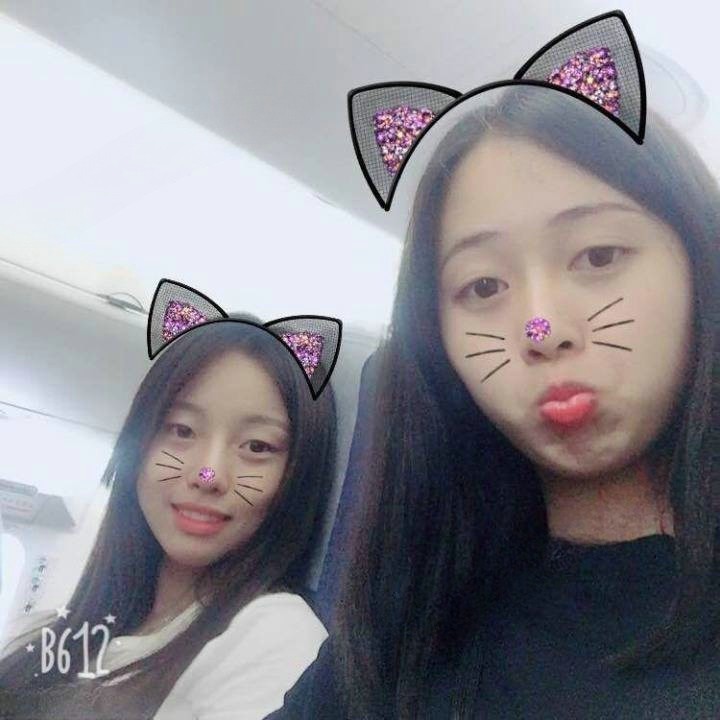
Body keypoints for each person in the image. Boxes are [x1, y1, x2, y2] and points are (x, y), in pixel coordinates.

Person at [267, 65, 720, 720]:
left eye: (598, 256)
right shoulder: (400, 636)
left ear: (700, 263)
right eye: (483, 287)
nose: (542, 329)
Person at [0, 290, 340, 720]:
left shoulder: (276, 633)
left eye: (257, 446)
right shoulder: (42, 631)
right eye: (181, 430)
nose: (207, 474)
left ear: (298, 477)